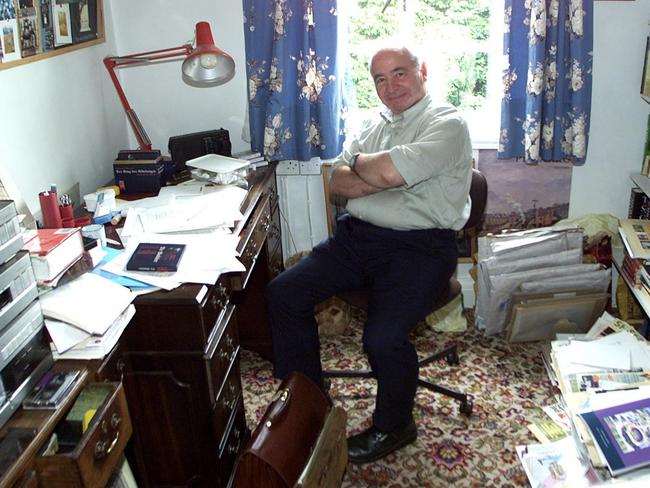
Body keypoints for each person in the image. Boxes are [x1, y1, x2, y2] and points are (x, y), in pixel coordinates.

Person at [265, 46, 473, 463]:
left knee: (382, 338)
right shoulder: (372, 123)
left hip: (420, 248)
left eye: (399, 73)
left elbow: (382, 172)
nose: (390, 86)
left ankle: (395, 426)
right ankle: (310, 400)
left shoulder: (448, 124)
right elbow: (337, 185)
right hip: (357, 239)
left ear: (423, 71)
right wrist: (377, 174)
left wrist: (365, 167)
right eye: (380, 79)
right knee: (282, 293)